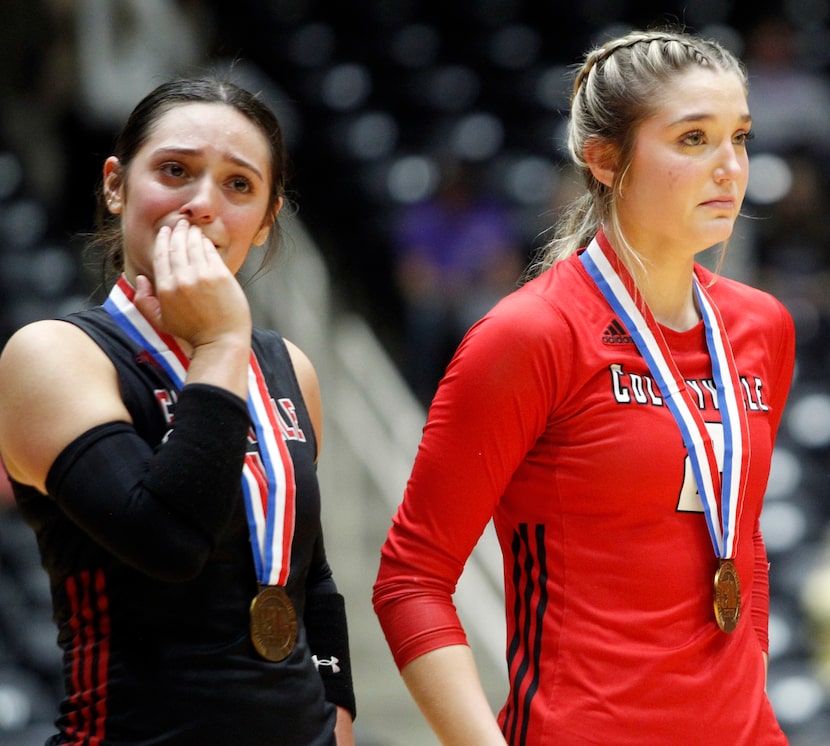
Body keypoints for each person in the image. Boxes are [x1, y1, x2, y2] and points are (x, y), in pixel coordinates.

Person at [373, 28, 795, 745]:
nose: (731, 168)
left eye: (740, 138)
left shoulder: (762, 328)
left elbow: (740, 540)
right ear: (604, 160)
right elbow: (411, 581)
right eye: (694, 139)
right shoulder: (532, 336)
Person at [0, 77, 355, 745]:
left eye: (238, 186)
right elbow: (166, 542)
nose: (200, 205)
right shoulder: (53, 355)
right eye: (175, 171)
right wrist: (221, 342)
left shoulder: (291, 370)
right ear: (116, 185)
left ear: (268, 217)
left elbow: (312, 578)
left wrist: (338, 711)